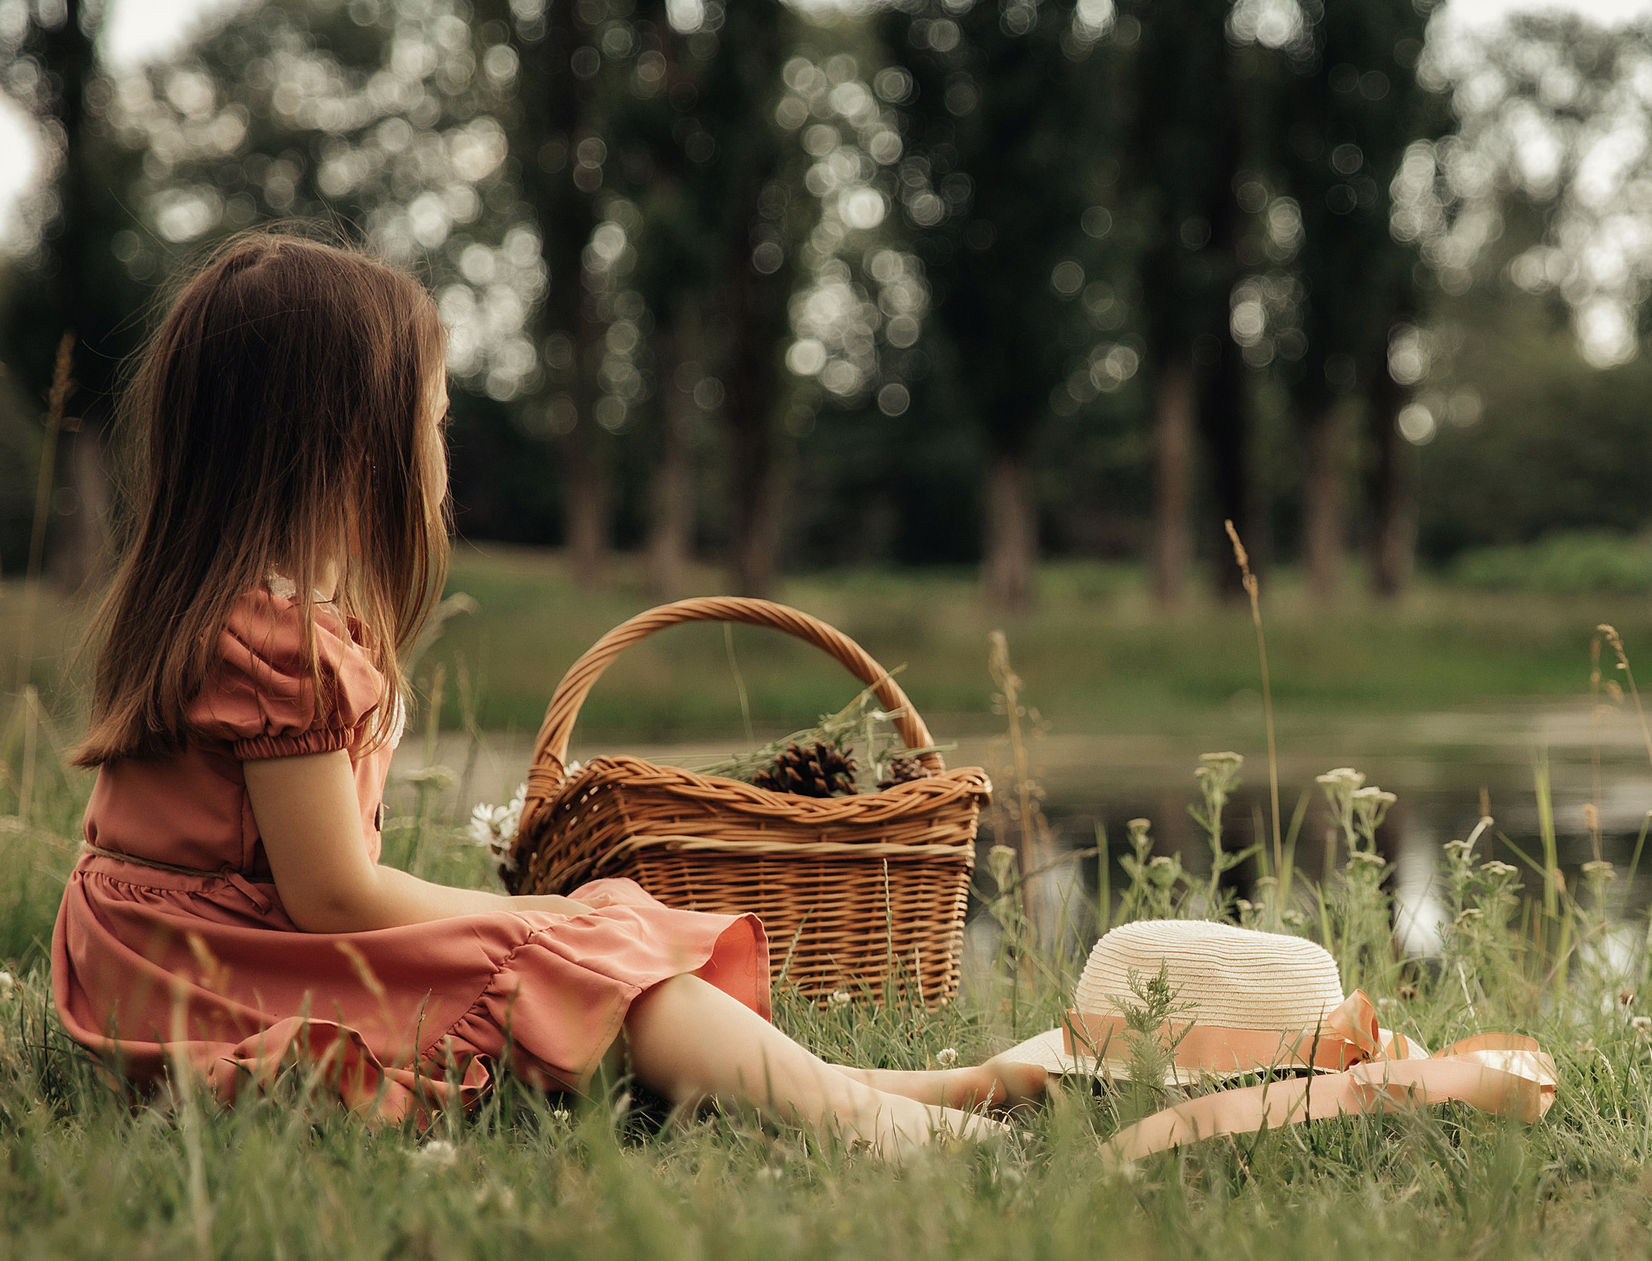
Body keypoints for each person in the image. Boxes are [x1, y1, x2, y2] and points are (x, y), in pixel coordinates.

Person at [50, 229, 1034, 1152]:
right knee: (576, 950)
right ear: (351, 447)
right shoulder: (272, 649)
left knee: (591, 936)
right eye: (432, 423)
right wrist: (531, 920)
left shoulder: (248, 618)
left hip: (194, 959)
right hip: (217, 979)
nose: (440, 456)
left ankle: (899, 1093)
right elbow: (331, 895)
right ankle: (883, 1127)